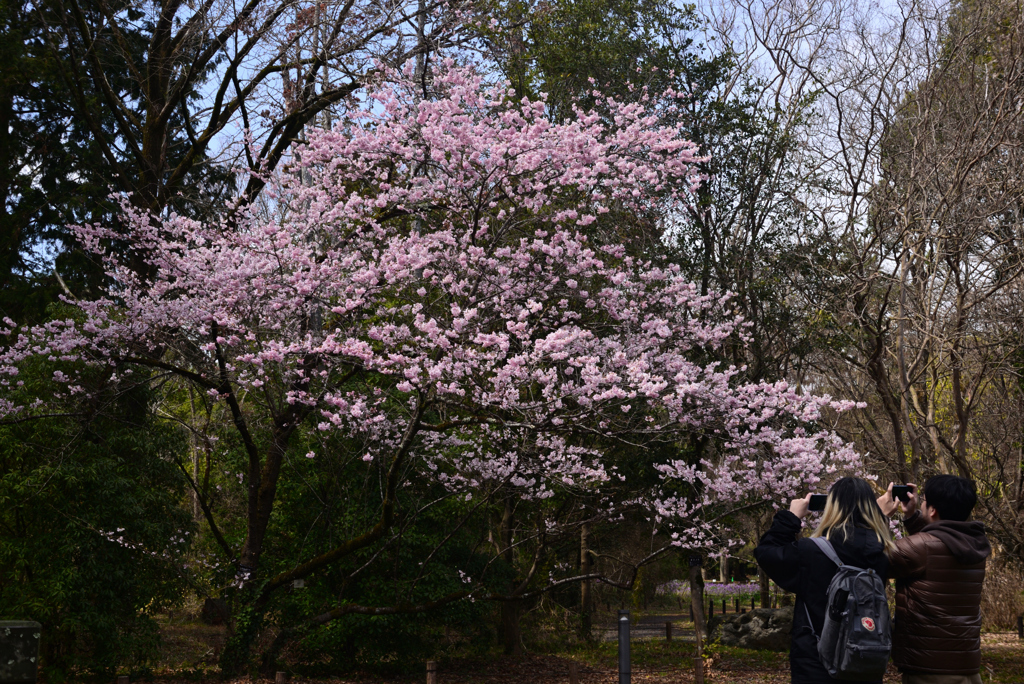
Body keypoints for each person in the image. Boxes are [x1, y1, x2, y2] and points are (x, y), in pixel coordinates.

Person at [755, 477, 894, 684]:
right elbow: (864, 540)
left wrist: (790, 518)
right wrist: (880, 518)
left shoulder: (810, 551)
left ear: (831, 508)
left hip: (815, 663)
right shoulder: (883, 554)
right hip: (865, 660)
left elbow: (767, 554)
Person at [878, 475, 991, 684]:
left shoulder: (922, 549)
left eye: (925, 501)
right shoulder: (975, 545)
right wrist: (912, 517)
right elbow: (937, 543)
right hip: (967, 668)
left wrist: (880, 516)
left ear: (932, 510)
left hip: (928, 670)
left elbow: (874, 559)